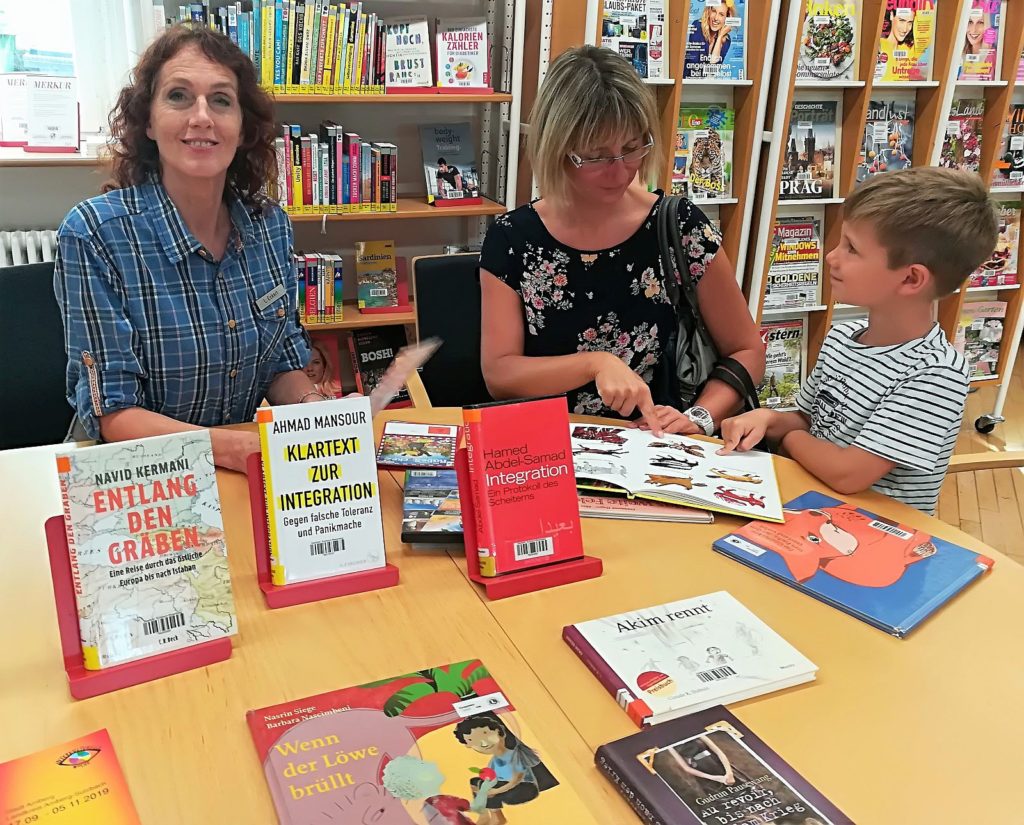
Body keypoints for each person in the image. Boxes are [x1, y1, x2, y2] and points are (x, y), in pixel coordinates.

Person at [53, 25, 327, 472]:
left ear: (242, 128)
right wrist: (236, 450)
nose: (202, 117)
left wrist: (316, 409)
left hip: (239, 469)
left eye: (221, 100)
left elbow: (281, 362)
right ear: (148, 121)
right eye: (179, 96)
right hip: (140, 479)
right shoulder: (94, 234)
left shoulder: (270, 225)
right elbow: (113, 415)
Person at [480, 46, 763, 436]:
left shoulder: (678, 226)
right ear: (558, 148)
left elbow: (746, 351)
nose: (620, 171)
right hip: (548, 447)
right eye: (596, 156)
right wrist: (594, 364)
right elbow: (500, 373)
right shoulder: (513, 238)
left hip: (655, 443)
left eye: (631, 148)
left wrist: (698, 417)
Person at [720, 167, 999, 515]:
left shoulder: (935, 373)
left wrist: (786, 437)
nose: (831, 256)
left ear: (911, 278)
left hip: (877, 539)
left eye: (851, 248)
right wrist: (767, 420)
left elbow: (848, 473)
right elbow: (809, 420)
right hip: (810, 506)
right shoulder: (842, 339)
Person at [686, 1, 737, 74]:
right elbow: (694, 66)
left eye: (721, 14)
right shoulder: (697, 26)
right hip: (686, 82)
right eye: (714, 11)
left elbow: (713, 72)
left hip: (708, 84)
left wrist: (720, 37)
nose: (716, 18)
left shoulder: (726, 40)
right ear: (709, 12)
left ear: (727, 18)